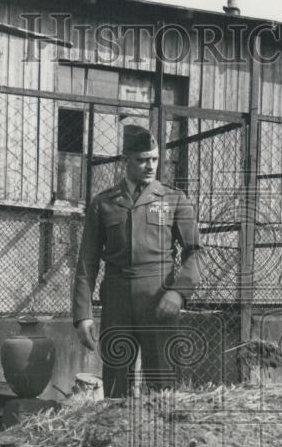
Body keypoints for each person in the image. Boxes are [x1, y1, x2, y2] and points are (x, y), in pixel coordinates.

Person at [72, 124, 204, 398]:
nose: (150, 166)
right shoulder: (104, 203)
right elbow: (87, 261)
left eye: (154, 159)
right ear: (126, 160)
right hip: (117, 300)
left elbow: (195, 252)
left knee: (162, 381)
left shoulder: (174, 199)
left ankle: (162, 437)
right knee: (116, 381)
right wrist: (82, 315)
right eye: (142, 160)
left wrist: (178, 293)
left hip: (159, 301)